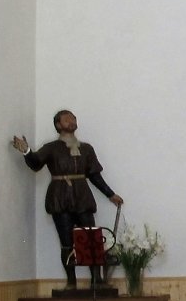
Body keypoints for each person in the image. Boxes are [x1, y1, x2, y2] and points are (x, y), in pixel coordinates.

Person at [12, 110, 123, 289]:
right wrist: (27, 151)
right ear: (58, 125)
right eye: (67, 119)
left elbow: (94, 175)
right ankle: (71, 282)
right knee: (66, 242)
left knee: (91, 238)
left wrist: (110, 194)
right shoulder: (51, 148)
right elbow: (36, 163)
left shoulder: (86, 149)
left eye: (73, 118)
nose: (71, 121)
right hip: (59, 198)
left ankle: (97, 280)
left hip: (82, 197)